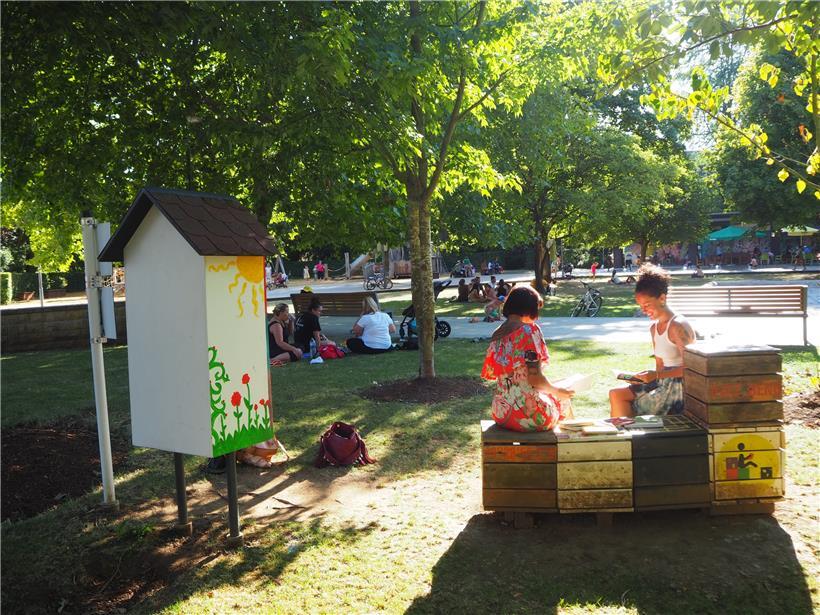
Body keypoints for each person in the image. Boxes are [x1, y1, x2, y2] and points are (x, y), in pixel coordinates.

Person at [480, 286, 574, 432]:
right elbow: (535, 378)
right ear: (529, 307)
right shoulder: (529, 331)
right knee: (564, 399)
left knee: (554, 394)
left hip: (501, 413)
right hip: (528, 415)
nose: (537, 316)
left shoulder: (497, 334)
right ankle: (571, 442)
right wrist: (557, 391)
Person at [609, 264, 696, 418]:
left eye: (647, 305)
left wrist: (656, 375)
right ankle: (626, 431)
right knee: (616, 394)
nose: (643, 310)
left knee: (627, 402)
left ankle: (629, 431)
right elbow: (660, 367)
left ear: (662, 298)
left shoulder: (677, 326)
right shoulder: (654, 328)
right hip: (663, 383)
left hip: (679, 388)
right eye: (641, 306)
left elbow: (693, 368)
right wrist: (642, 379)